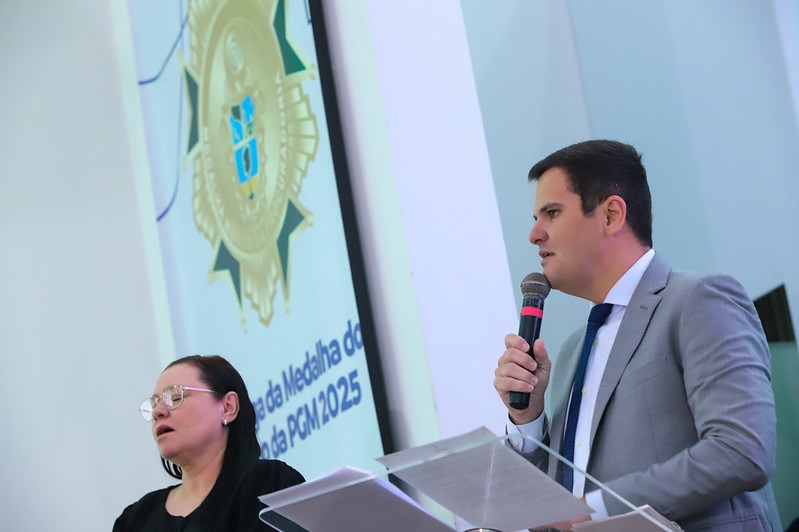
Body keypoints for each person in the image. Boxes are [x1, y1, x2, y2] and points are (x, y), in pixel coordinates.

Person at [494, 140, 782, 531]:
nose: (534, 234)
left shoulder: (698, 300)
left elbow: (741, 451)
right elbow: (558, 500)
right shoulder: (572, 350)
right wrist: (526, 417)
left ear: (611, 215)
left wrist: (593, 509)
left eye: (552, 213)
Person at [113, 355, 304, 531]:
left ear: (228, 407)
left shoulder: (264, 484)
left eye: (175, 397)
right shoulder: (135, 520)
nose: (158, 412)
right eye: (154, 404)